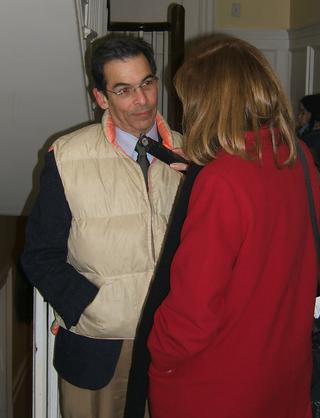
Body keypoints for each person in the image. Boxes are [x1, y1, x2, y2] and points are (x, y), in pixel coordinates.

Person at [124, 35, 320, 418]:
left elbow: (192, 312)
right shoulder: (297, 159)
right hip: (284, 378)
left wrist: (158, 356)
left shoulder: (222, 179)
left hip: (216, 388)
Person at [21, 35, 184, 418]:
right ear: (101, 98)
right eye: (124, 90)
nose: (142, 100)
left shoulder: (189, 151)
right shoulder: (68, 156)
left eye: (147, 83)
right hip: (98, 347)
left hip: (172, 342)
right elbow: (39, 255)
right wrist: (89, 307)